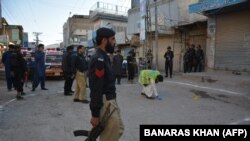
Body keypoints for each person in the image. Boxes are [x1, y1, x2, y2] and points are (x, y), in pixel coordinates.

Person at [88, 27, 124, 141]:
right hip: (105, 103)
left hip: (111, 101)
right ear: (104, 40)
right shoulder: (99, 59)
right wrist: (95, 114)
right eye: (113, 39)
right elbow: (96, 88)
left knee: (119, 129)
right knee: (110, 135)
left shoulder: (104, 57)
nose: (114, 42)